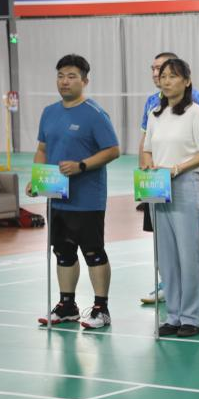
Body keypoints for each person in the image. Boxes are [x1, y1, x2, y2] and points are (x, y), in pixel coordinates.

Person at [33, 54, 120, 329]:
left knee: (93, 253)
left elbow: (113, 150)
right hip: (57, 199)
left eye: (71, 76)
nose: (65, 81)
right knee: (63, 253)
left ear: (85, 81)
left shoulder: (94, 114)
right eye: (60, 76)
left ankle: (101, 309)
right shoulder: (49, 112)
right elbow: (42, 149)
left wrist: (81, 165)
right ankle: (67, 306)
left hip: (87, 200)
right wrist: (37, 178)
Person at [142, 58, 199, 338]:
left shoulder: (196, 113)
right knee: (166, 257)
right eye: (163, 76)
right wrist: (148, 164)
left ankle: (192, 317)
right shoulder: (155, 113)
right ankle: (173, 315)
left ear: (186, 81)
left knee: (189, 255)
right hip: (158, 187)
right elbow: (147, 148)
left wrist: (177, 168)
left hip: (185, 184)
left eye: (173, 76)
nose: (166, 81)